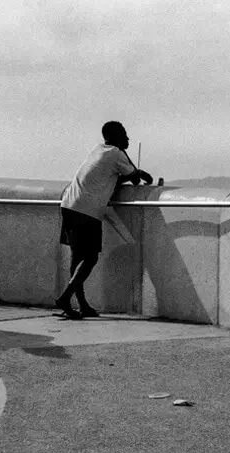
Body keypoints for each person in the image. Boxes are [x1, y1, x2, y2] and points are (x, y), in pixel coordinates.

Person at [55, 121, 152, 319]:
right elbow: (134, 177)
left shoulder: (98, 150)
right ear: (114, 137)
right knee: (90, 258)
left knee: (77, 257)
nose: (128, 139)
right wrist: (140, 173)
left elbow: (111, 177)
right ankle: (66, 297)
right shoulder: (116, 153)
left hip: (69, 204)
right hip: (87, 210)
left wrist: (130, 171)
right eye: (124, 134)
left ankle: (82, 305)